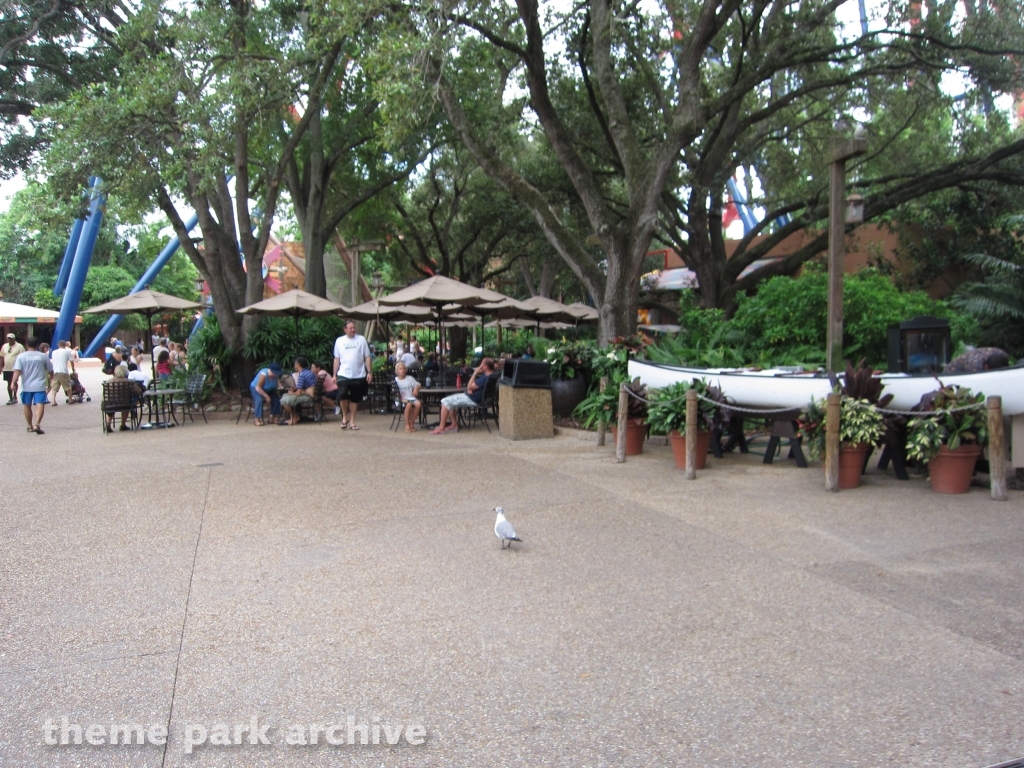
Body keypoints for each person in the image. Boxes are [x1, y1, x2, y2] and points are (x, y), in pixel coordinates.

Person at [430, 357, 496, 434]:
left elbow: (469, 386)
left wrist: (475, 373)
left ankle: (441, 428)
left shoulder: (485, 377)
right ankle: (454, 424)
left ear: (486, 367)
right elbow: (475, 387)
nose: (480, 366)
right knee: (450, 400)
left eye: (482, 364)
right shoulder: (491, 376)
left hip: (473, 399)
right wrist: (471, 389)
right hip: (477, 397)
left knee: (444, 401)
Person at [332, 319, 372, 431]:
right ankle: (345, 416)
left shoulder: (361, 339)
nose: (353, 330)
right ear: (345, 329)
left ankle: (352, 420)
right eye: (350, 328)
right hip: (343, 373)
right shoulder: (339, 341)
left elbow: (367, 357)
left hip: (359, 374)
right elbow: (336, 359)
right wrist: (334, 374)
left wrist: (369, 372)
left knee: (355, 398)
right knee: (342, 394)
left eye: (354, 328)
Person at [10, 337, 52, 434]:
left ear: (27, 345)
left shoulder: (21, 357)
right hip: (40, 385)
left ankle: (29, 425)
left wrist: (13, 382)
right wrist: (51, 376)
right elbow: (50, 369)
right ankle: (37, 424)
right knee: (40, 404)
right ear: (37, 345)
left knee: (27, 405)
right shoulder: (43, 356)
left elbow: (17, 370)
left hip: (26, 386)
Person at [106, 363, 144, 432]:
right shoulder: (129, 382)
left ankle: (108, 424)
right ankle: (123, 424)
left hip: (111, 404)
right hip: (125, 404)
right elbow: (139, 391)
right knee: (127, 404)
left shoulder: (109, 381)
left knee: (111, 404)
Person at [280, 357, 316, 426]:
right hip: (313, 394)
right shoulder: (309, 372)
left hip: (309, 396)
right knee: (285, 396)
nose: (294, 366)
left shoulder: (302, 375)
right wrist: (295, 388)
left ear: (298, 364)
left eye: (295, 364)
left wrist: (291, 393)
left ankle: (293, 417)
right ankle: (296, 416)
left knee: (284, 400)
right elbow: (304, 386)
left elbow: (298, 393)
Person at [250, 362, 283, 426]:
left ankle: (271, 417)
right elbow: (258, 387)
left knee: (276, 399)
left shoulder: (275, 375)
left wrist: (280, 386)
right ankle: (257, 418)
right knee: (259, 400)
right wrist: (266, 396)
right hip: (256, 388)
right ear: (270, 370)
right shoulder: (264, 374)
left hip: (268, 389)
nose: (275, 374)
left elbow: (277, 380)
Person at [393, 361, 422, 432]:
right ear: (397, 371)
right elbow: (394, 392)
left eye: (403, 369)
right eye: (400, 369)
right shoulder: (395, 380)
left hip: (410, 397)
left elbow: (419, 384)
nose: (402, 370)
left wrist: (416, 388)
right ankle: (407, 424)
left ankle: (411, 422)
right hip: (401, 399)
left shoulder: (410, 378)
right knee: (409, 404)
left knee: (418, 404)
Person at [48, 340, 76, 405]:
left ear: (58, 345)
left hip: (55, 371)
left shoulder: (54, 352)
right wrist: (73, 369)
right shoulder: (67, 352)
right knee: (67, 386)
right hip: (63, 371)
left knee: (54, 386)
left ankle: (53, 401)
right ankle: (70, 399)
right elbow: (71, 361)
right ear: (65, 345)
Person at [2, 332, 25, 404]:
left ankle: (15, 396)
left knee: (14, 382)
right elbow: (2, 356)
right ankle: (10, 398)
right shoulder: (5, 346)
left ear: (14, 339)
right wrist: (0, 366)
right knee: (9, 383)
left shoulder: (19, 346)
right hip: (7, 368)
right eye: (8, 338)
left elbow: (23, 356)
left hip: (15, 368)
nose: (10, 340)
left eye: (11, 338)